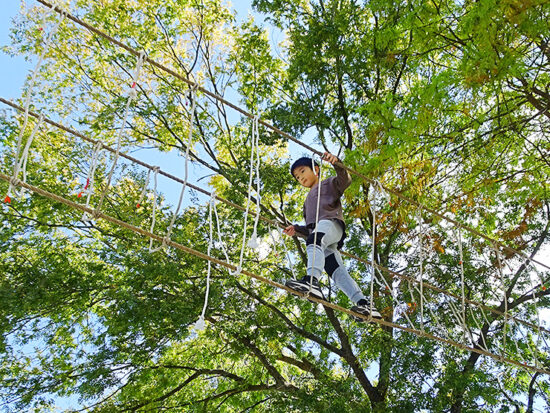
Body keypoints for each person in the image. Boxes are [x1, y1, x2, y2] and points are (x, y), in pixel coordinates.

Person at [283, 152, 382, 321]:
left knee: (315, 239)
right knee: (335, 270)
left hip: (332, 225)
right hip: (322, 236)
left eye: (302, 172)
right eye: (297, 177)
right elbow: (309, 230)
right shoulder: (306, 203)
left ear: (316, 169)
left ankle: (311, 281)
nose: (300, 178)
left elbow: (345, 181)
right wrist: (296, 230)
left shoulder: (327, 184)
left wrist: (337, 164)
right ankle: (365, 304)